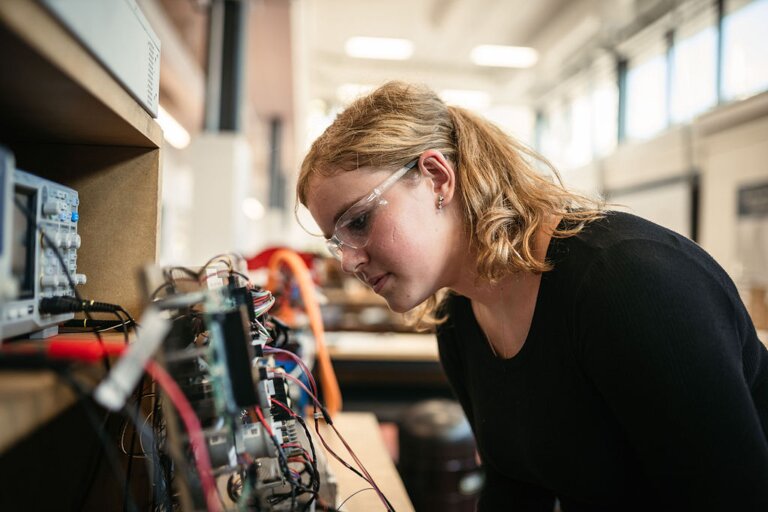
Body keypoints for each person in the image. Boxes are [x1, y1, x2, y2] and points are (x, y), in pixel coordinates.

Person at [296, 81, 768, 511]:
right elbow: (515, 488)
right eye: (336, 240)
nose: (348, 261)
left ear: (438, 178)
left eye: (357, 221)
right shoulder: (460, 321)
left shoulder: (627, 281)